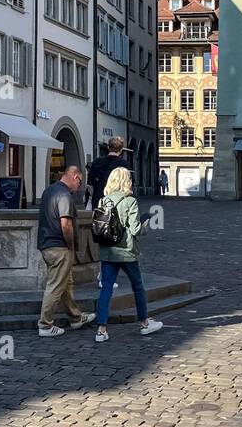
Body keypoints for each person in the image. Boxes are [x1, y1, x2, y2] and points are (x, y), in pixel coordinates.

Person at [93, 167, 163, 343]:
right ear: (126, 181)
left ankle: (101, 330)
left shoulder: (103, 201)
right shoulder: (130, 201)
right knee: (138, 286)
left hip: (107, 251)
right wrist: (145, 224)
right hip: (126, 252)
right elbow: (135, 230)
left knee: (106, 288)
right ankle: (145, 323)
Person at [36, 165, 95, 337]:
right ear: (75, 177)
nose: (79, 187)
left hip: (47, 244)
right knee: (55, 285)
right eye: (80, 182)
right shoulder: (64, 195)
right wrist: (71, 245)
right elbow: (66, 224)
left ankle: (76, 318)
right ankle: (45, 325)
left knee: (66, 283)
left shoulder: (49, 191)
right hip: (59, 246)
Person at [88, 135, 128, 209]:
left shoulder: (97, 162)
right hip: (117, 202)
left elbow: (90, 182)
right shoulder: (124, 164)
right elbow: (128, 184)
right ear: (121, 150)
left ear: (108, 147)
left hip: (99, 200)